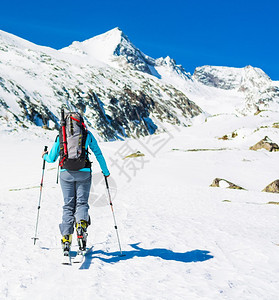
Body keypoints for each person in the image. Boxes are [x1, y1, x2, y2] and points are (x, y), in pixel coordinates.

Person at [42, 112, 110, 254]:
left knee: (68, 205)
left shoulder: (61, 135)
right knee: (82, 203)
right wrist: (105, 171)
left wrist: (45, 156)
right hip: (84, 172)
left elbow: (52, 158)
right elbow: (98, 153)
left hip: (65, 173)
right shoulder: (87, 134)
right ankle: (81, 227)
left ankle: (66, 238)